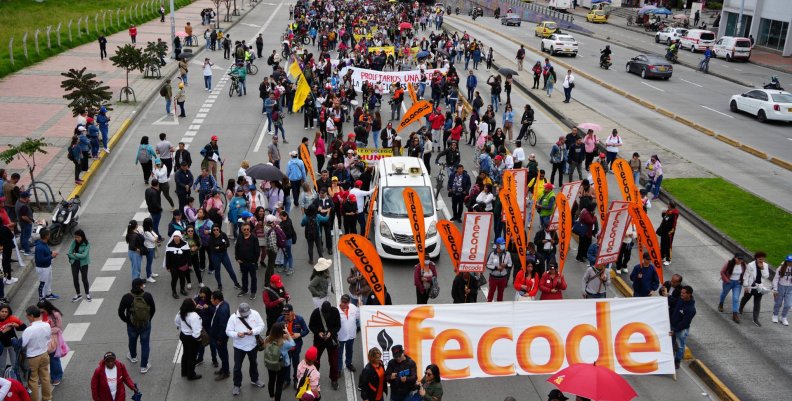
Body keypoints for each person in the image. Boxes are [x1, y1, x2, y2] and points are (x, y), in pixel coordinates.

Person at [226, 303, 266, 395]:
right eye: (244, 315)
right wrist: (237, 334)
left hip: (252, 345)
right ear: (239, 312)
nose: (246, 316)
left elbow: (261, 325)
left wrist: (253, 331)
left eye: (247, 314)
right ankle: (237, 385)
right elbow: (228, 331)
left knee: (254, 363)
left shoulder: (255, 313)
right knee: (237, 367)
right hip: (239, 347)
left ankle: (255, 379)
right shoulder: (233, 318)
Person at [118, 278, 155, 373]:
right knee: (145, 344)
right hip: (145, 325)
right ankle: (143, 366)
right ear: (140, 286)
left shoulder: (126, 297)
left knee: (132, 340)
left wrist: (127, 321)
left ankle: (133, 357)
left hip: (132, 325)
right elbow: (153, 309)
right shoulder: (147, 295)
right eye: (142, 284)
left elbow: (120, 312)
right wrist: (148, 320)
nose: (144, 285)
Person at [21, 305, 52, 401]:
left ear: (31, 316)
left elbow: (23, 344)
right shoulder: (47, 325)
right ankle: (47, 398)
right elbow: (48, 338)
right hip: (44, 354)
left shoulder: (29, 330)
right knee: (45, 377)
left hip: (32, 357)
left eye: (27, 316)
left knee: (33, 380)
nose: (27, 318)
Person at [308, 301, 341, 390]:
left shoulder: (335, 311)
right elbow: (311, 325)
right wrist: (318, 332)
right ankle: (315, 377)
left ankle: (334, 379)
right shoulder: (316, 312)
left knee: (334, 361)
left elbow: (338, 326)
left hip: (332, 340)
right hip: (319, 340)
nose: (326, 314)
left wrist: (331, 332)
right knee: (315, 360)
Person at [276, 303, 309, 388]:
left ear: (292, 312)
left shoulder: (299, 319)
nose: (286, 315)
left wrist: (299, 334)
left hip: (296, 346)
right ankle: (287, 380)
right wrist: (281, 335)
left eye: (287, 313)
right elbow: (275, 331)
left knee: (296, 364)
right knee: (286, 364)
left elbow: (306, 330)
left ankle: (296, 379)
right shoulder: (280, 319)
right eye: (284, 314)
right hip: (285, 347)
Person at [262, 321, 295, 401]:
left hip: (270, 363)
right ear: (282, 331)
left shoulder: (267, 339)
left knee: (271, 380)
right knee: (279, 384)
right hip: (282, 365)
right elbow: (293, 344)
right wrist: (288, 333)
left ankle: (271, 396)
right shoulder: (284, 343)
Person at [738, 252, 770, 327]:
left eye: (762, 259)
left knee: (757, 303)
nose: (761, 260)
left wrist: (762, 269)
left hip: (759, 287)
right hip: (751, 286)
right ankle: (741, 307)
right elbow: (746, 276)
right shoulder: (751, 265)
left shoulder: (765, 265)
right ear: (756, 258)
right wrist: (746, 286)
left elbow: (766, 276)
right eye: (759, 259)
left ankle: (755, 319)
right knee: (746, 298)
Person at [174, 298, 203, 380]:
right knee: (192, 357)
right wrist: (198, 339)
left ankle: (184, 372)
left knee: (185, 354)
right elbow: (196, 331)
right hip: (191, 338)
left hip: (183, 335)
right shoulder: (194, 316)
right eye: (194, 302)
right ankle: (191, 375)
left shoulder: (181, 312)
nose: (195, 303)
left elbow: (176, 322)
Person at [669, 286, 696, 370]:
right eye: (681, 292)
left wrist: (675, 330)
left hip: (681, 329)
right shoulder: (681, 299)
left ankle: (677, 361)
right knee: (670, 343)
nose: (681, 294)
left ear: (689, 294)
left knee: (680, 345)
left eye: (684, 293)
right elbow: (674, 302)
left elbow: (685, 323)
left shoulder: (691, 309)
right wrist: (668, 296)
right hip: (672, 325)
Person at [208, 225, 241, 292]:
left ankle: (236, 283)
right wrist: (222, 246)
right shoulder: (211, 237)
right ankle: (219, 285)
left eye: (217, 229)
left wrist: (219, 247)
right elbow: (212, 248)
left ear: (219, 229)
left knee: (230, 270)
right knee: (217, 271)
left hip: (224, 255)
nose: (216, 231)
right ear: (212, 230)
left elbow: (228, 244)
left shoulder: (223, 234)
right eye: (214, 230)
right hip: (215, 256)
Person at [718, 253, 747, 323]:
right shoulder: (729, 263)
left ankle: (735, 314)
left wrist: (742, 281)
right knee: (724, 294)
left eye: (741, 259)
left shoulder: (743, 265)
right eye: (739, 259)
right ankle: (721, 303)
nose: (740, 260)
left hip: (737, 283)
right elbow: (722, 272)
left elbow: (745, 274)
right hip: (728, 282)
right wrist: (727, 281)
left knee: (736, 298)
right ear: (735, 258)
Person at [235, 223, 260, 300]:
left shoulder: (254, 238)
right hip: (242, 262)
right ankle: (244, 290)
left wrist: (254, 261)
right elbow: (237, 248)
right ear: (242, 230)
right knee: (244, 276)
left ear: (250, 229)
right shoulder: (240, 237)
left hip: (251, 262)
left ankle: (253, 292)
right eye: (244, 229)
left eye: (247, 229)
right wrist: (237, 258)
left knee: (253, 278)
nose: (246, 231)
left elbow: (257, 251)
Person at [209, 290, 231, 380]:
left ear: (217, 300)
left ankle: (226, 372)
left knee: (223, 355)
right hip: (219, 336)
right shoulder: (225, 304)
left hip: (220, 338)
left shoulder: (222, 311)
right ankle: (224, 369)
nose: (210, 300)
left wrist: (220, 339)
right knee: (223, 354)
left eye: (212, 299)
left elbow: (223, 326)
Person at [67, 229, 91, 302]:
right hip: (74, 263)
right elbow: (69, 253)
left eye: (78, 237)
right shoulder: (73, 242)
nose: (76, 239)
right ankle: (78, 294)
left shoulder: (87, 244)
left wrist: (75, 254)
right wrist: (76, 256)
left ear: (82, 237)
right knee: (75, 278)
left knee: (84, 279)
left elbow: (84, 255)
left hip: (84, 264)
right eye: (75, 237)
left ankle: (87, 294)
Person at [34, 229, 58, 301]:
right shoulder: (40, 247)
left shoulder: (44, 244)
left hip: (47, 266)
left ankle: (48, 294)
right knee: (43, 283)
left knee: (49, 280)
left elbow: (46, 252)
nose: (50, 235)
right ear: (46, 236)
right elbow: (40, 260)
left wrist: (51, 252)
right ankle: (41, 297)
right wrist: (51, 256)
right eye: (49, 235)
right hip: (42, 268)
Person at [165, 231, 190, 299]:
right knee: (174, 279)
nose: (176, 238)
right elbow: (167, 257)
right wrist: (168, 266)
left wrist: (189, 264)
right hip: (173, 266)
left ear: (180, 237)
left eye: (177, 236)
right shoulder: (169, 245)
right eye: (174, 236)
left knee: (182, 278)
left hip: (183, 265)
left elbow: (188, 255)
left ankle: (182, 289)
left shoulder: (185, 244)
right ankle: (174, 292)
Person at [337, 294, 359, 373]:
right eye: (342, 302)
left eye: (345, 302)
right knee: (339, 353)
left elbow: (358, 316)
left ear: (349, 302)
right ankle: (338, 369)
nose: (343, 304)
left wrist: (360, 308)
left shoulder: (353, 307)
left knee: (350, 350)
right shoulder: (336, 310)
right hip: (340, 336)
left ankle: (349, 363)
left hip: (351, 335)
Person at [486, 237, 512, 302]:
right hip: (493, 277)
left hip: (503, 277)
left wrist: (505, 265)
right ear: (497, 245)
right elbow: (488, 265)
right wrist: (496, 267)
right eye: (502, 244)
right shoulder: (492, 254)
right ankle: (488, 304)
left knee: (501, 293)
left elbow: (510, 264)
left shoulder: (507, 254)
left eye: (504, 244)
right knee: (491, 292)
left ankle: (499, 305)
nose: (503, 245)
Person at [656, 201, 679, 266]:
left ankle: (668, 259)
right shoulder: (668, 211)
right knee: (662, 244)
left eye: (668, 204)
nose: (667, 205)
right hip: (664, 231)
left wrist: (670, 232)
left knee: (668, 246)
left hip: (669, 232)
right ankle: (662, 256)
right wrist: (663, 214)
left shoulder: (674, 214)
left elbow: (673, 224)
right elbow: (665, 219)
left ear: (671, 206)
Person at [771, 255, 792, 326]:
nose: (790, 263)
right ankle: (775, 315)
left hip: (790, 288)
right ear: (786, 261)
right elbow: (776, 278)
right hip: (781, 287)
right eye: (789, 261)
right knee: (778, 303)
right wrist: (775, 289)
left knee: (788, 304)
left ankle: (783, 317)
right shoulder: (781, 268)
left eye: (791, 262)